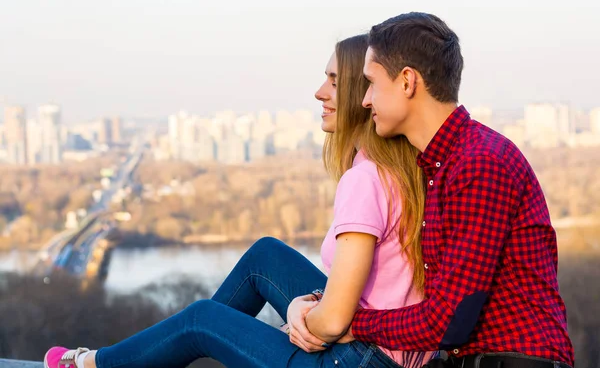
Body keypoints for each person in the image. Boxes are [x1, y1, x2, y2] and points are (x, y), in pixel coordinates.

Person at [44, 34, 433, 368]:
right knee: (265, 257)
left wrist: (300, 317)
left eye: (334, 81)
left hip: (357, 361)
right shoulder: (402, 168)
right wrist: (312, 301)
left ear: (360, 95)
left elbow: (332, 324)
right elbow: (373, 289)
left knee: (201, 320)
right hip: (390, 351)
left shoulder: (364, 179)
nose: (320, 92)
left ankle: (95, 363)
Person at [333, 13, 575, 368]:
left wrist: (350, 323)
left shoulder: (479, 164)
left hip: (516, 362)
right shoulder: (440, 166)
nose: (366, 99)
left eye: (371, 82)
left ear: (407, 82)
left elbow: (447, 321)